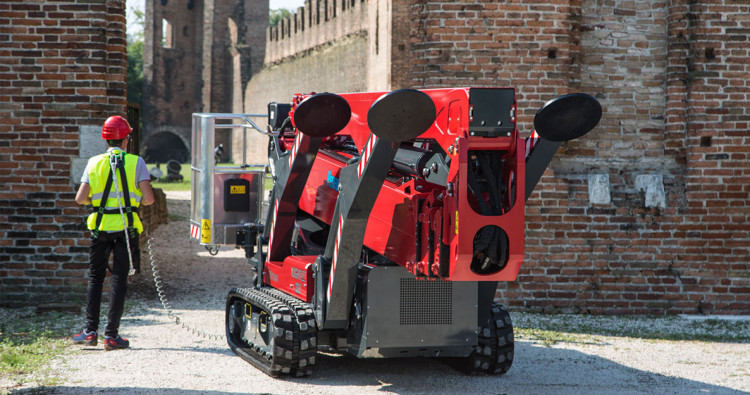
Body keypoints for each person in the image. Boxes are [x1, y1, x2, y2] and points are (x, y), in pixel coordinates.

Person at [72, 115, 155, 350]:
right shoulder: (136, 162)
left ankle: (89, 332)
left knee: (96, 277)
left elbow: (80, 199)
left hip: (100, 228)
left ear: (105, 140)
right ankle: (112, 336)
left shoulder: (94, 163)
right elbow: (148, 200)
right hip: (126, 229)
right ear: (126, 139)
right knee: (119, 278)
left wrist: (98, 201)